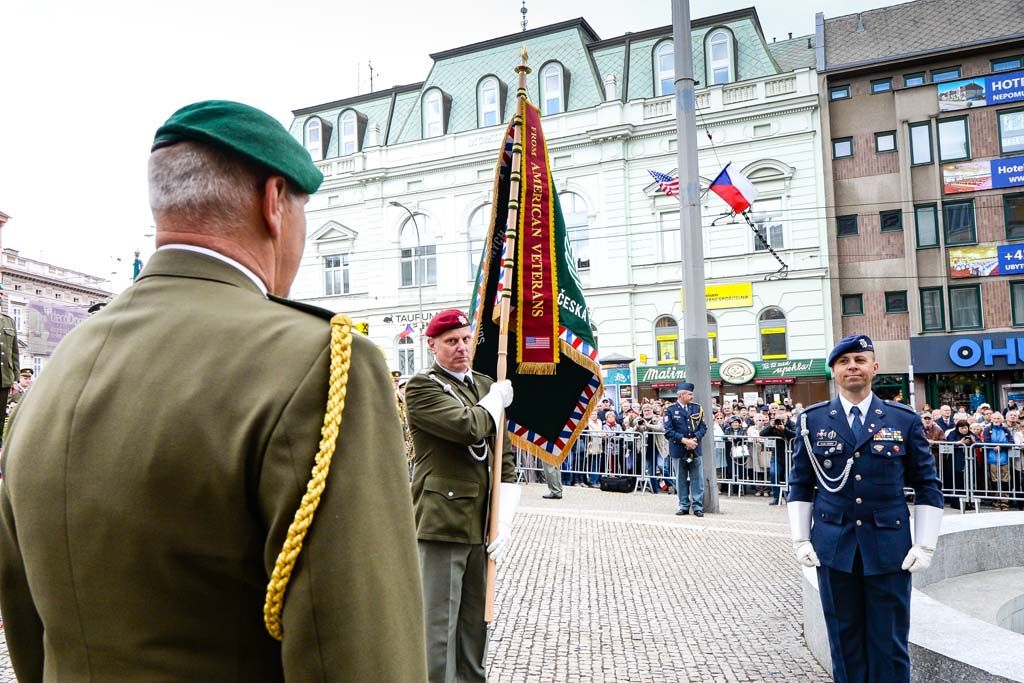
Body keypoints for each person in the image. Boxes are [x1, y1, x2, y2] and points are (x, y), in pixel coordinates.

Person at [0, 100, 427, 681]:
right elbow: (359, 655)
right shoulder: (318, 366)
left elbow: (27, 624)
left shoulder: (55, 375)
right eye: (303, 208)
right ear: (275, 202)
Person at [787, 335, 943, 683]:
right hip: (834, 546)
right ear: (833, 372)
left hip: (889, 549)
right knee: (844, 642)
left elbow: (927, 485)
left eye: (859, 359)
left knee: (889, 643)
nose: (852, 366)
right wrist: (800, 539)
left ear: (874, 367)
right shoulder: (812, 421)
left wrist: (926, 543)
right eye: (844, 362)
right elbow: (799, 484)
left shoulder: (903, 419)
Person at [404, 309, 519, 683]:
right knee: (438, 631)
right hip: (443, 522)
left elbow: (505, 458)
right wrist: (494, 403)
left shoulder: (486, 384)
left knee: (475, 626)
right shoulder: (422, 387)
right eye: (451, 341)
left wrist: (503, 521)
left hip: (481, 525)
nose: (462, 348)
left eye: (466, 339)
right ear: (432, 345)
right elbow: (468, 426)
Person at [664, 383, 707, 517]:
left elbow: (703, 427)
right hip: (679, 449)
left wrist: (694, 440)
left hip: (694, 449)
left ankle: (698, 506)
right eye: (689, 394)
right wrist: (684, 440)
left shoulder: (697, 408)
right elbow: (668, 431)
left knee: (697, 479)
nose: (692, 396)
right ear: (682, 395)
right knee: (681, 479)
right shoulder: (670, 410)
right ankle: (683, 505)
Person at [0, 286, 20, 448]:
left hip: (4, 379)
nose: (0, 295)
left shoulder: (8, 321)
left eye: (1, 293)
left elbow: (14, 353)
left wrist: (15, 380)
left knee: (0, 421)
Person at [760, 417, 794, 506]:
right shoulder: (773, 426)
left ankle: (789, 497)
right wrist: (771, 426)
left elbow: (795, 435)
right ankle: (776, 497)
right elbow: (762, 434)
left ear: (787, 418)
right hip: (776, 455)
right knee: (773, 473)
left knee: (789, 477)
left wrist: (784, 429)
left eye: (782, 419)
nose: (780, 421)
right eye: (778, 419)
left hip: (790, 456)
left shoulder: (792, 424)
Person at [982, 412, 1012, 511]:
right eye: (994, 418)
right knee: (994, 480)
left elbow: (1011, 441)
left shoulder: (1005, 429)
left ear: (1002, 420)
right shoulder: (987, 429)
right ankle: (996, 500)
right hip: (992, 458)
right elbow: (986, 441)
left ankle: (1005, 501)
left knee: (1005, 479)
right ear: (991, 419)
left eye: (998, 418)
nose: (996, 420)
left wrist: (1001, 446)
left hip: (1004, 458)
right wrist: (995, 446)